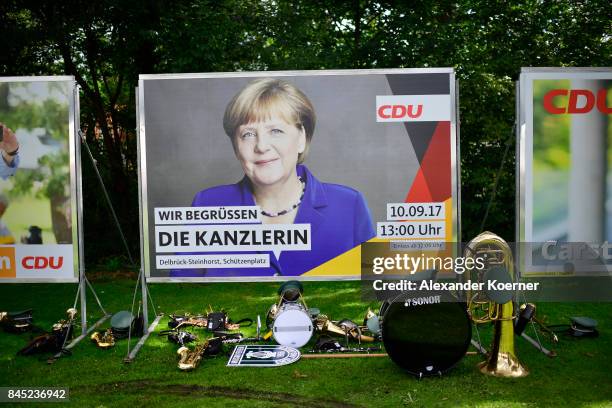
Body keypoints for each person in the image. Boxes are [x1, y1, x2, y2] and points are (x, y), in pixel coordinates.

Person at [180, 78, 375, 277]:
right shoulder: (207, 205)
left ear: (301, 139)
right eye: (248, 134)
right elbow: (178, 298)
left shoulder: (349, 205)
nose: (261, 146)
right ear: (235, 146)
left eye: (276, 131)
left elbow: (379, 296)